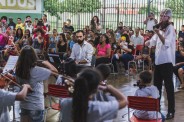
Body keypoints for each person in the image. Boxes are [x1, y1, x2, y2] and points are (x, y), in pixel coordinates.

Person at [60, 68, 127, 122]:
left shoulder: (64, 103)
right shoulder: (98, 108)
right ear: (95, 90)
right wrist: (109, 87)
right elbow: (124, 101)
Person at [145, 8, 175, 119]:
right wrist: (148, 42)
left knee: (169, 88)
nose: (161, 17)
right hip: (158, 62)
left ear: (168, 17)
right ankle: (156, 109)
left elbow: (166, 43)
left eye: (164, 16)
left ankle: (171, 111)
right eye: (161, 15)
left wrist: (158, 33)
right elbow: (153, 40)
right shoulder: (160, 28)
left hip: (167, 62)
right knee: (156, 88)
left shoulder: (170, 28)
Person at [15, 45, 58, 122]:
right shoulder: (37, 71)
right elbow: (55, 72)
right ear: (33, 57)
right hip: (36, 106)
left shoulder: (18, 70)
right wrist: (47, 63)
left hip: (24, 105)